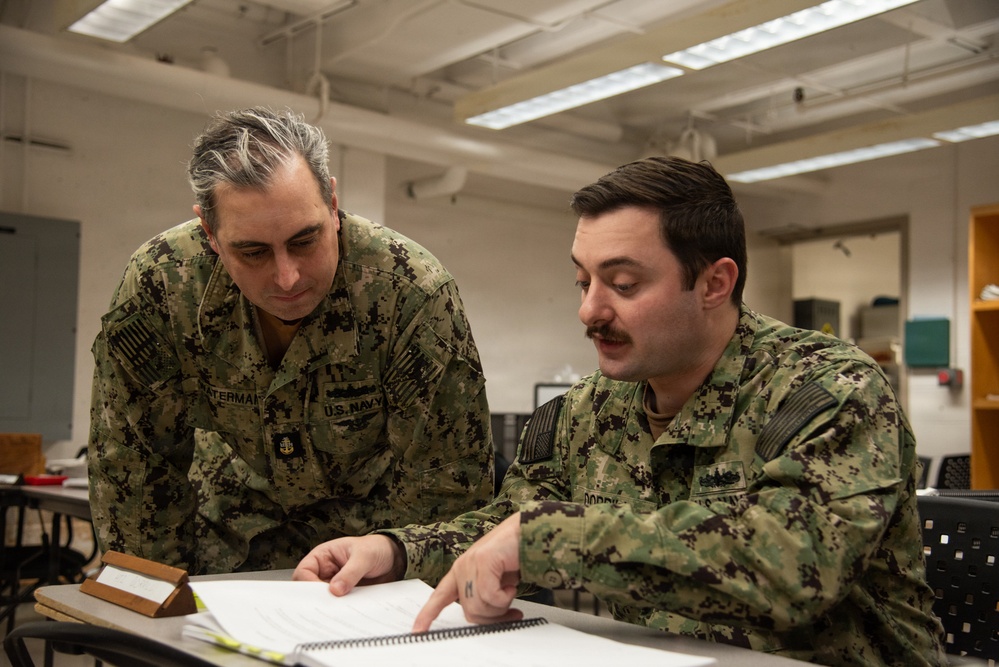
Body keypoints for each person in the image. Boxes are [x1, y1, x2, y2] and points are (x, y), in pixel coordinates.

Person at [294, 156, 946, 666]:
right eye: (583, 280)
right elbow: (508, 524)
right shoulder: (586, 410)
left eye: (623, 284)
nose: (589, 310)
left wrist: (549, 538)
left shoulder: (829, 390)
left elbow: (793, 564)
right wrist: (395, 549)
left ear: (715, 282)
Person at [88, 107, 494, 574]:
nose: (287, 277)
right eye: (253, 252)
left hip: (366, 549)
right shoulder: (163, 286)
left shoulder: (409, 292)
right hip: (227, 535)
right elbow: (134, 471)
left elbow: (448, 488)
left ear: (333, 204)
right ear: (210, 235)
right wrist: (150, 601)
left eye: (305, 241)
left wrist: (401, 586)